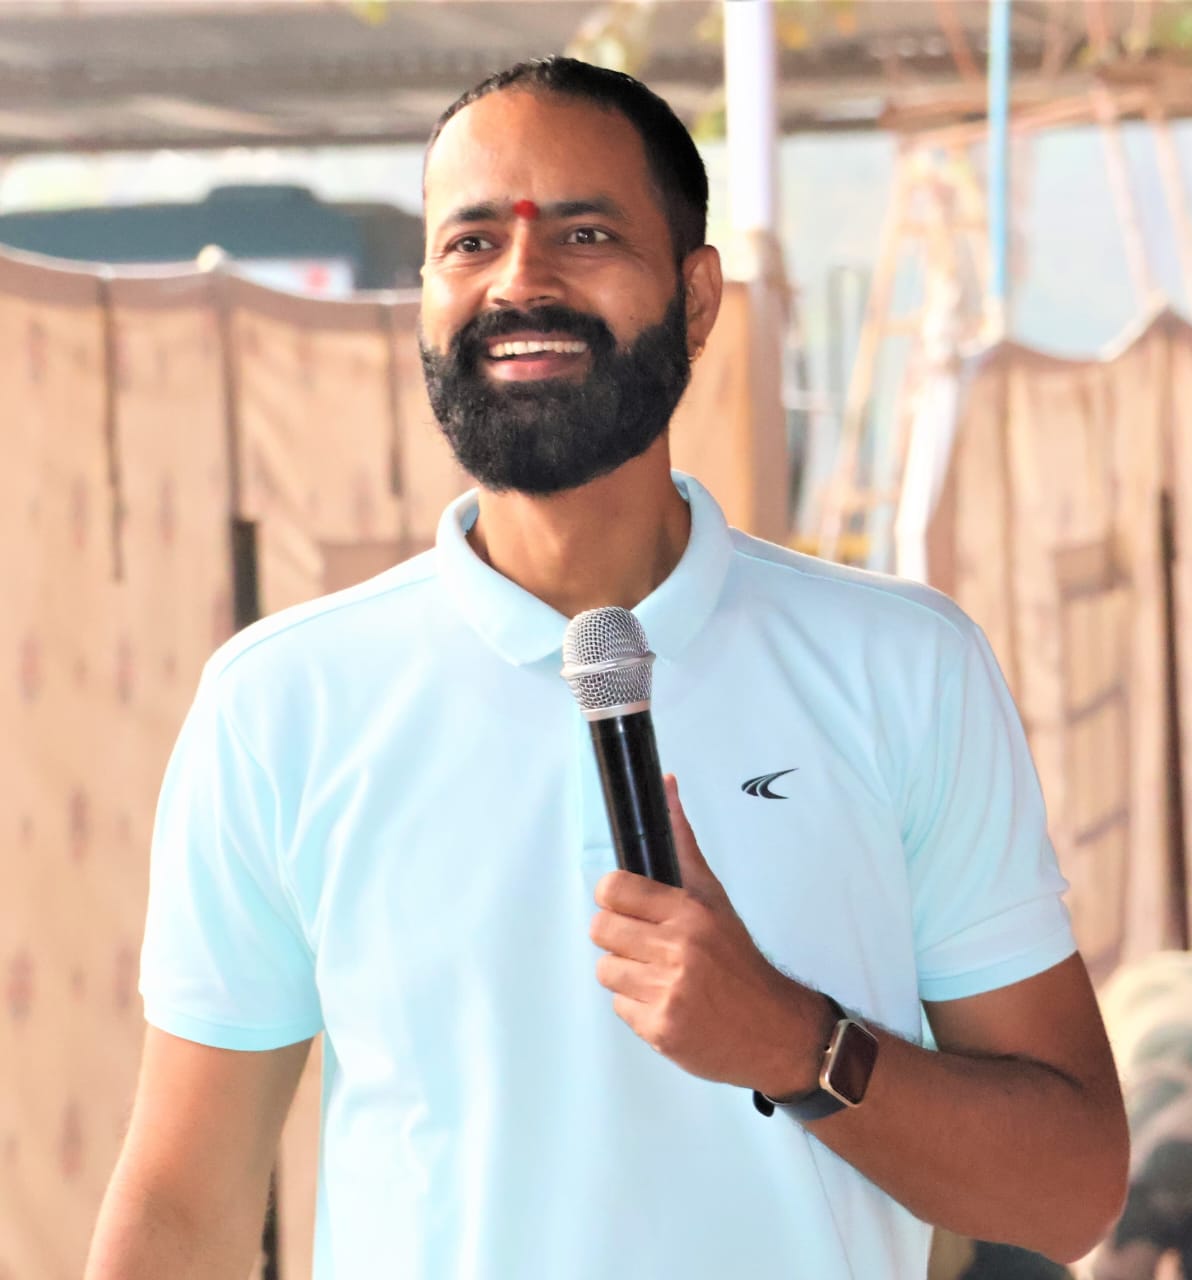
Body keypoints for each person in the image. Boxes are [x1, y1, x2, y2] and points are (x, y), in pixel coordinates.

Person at [87, 57, 1128, 1280]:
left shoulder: (900, 666)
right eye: (470, 242)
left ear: (696, 298)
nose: (518, 279)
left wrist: (796, 1044)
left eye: (584, 235)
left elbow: (1067, 1192)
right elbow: (184, 1211)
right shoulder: (281, 703)